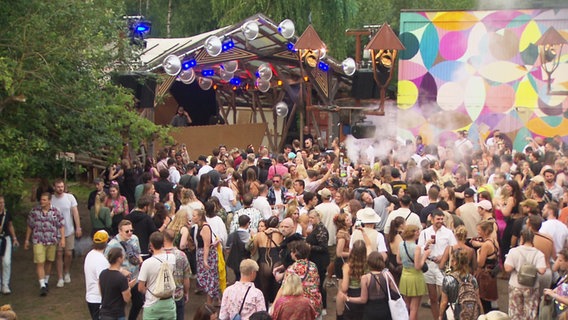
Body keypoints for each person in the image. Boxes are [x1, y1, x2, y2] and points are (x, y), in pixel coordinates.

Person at [418, 209, 457, 320]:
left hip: (442, 266)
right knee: (432, 297)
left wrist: (444, 256)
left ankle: (443, 317)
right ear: (432, 219)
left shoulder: (448, 233)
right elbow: (419, 249)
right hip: (429, 265)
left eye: (441, 219)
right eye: (438, 219)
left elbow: (453, 248)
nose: (440, 221)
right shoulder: (425, 232)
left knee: (444, 296)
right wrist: (426, 245)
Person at [24, 192, 65, 296]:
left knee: (49, 261)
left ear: (49, 201)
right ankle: (42, 284)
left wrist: (63, 239)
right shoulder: (34, 211)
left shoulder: (56, 211)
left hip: (52, 240)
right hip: (38, 240)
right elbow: (30, 225)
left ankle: (46, 280)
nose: (42, 202)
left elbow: (61, 225)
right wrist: (26, 240)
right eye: (41, 200)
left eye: (44, 200)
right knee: (40, 262)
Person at [341, 251, 401, 320]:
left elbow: (363, 299)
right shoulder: (387, 275)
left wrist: (348, 299)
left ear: (369, 263)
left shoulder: (365, 278)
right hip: (385, 309)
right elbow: (396, 292)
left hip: (370, 310)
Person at [504, 229, 547, 320]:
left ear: (521, 238)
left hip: (515, 284)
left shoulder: (514, 251)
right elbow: (542, 270)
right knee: (530, 311)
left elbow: (507, 268)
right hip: (532, 285)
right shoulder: (539, 254)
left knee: (515, 311)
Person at [105, 220, 143, 320]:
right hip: (121, 279)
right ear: (120, 231)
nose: (130, 233)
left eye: (131, 230)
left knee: (139, 302)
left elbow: (138, 253)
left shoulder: (134, 239)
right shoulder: (112, 245)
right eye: (127, 231)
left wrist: (141, 261)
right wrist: (121, 270)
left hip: (135, 277)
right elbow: (107, 262)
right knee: (122, 304)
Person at [275, 241, 322, 318]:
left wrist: (274, 305)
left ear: (294, 253)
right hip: (314, 303)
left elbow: (283, 288)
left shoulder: (292, 269)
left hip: (300, 306)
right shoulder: (313, 266)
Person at [138, 232, 177, 319]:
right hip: (169, 302)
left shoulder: (147, 263)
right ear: (163, 243)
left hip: (152, 302)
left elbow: (140, 287)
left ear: (151, 245)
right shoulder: (172, 258)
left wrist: (148, 291)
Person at [51, 179, 82, 288]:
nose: (60, 188)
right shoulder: (51, 199)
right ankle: (60, 277)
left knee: (68, 253)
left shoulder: (70, 198)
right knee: (59, 254)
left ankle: (67, 271)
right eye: (58, 186)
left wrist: (78, 227)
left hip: (69, 230)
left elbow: (75, 213)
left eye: (62, 186)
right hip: (55, 232)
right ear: (54, 187)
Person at [439, 249, 483, 320]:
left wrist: (440, 315)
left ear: (455, 262)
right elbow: (477, 299)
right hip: (471, 313)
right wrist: (481, 313)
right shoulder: (472, 279)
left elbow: (444, 302)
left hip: (453, 313)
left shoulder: (448, 280)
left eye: (452, 260)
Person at [398, 225, 430, 320]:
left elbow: (399, 260)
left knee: (407, 306)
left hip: (405, 276)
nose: (419, 233)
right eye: (417, 231)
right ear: (414, 233)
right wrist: (425, 256)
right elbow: (417, 266)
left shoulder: (401, 244)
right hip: (415, 277)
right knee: (414, 308)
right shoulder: (416, 248)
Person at [251, 216, 283, 308]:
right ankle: (275, 308)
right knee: (276, 288)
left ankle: (264, 308)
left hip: (264, 263)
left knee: (264, 288)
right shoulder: (280, 234)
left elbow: (253, 251)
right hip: (277, 262)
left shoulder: (259, 235)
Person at [193, 208, 221, 306]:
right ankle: (216, 299)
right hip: (202, 254)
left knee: (209, 278)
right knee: (210, 277)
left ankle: (209, 302)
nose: (193, 217)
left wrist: (205, 260)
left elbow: (206, 245)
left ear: (200, 217)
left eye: (194, 215)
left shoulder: (205, 227)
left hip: (207, 255)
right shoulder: (198, 227)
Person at [99, 247, 136, 320]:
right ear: (119, 259)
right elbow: (127, 299)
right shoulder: (121, 278)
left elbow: (101, 292)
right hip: (117, 315)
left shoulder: (102, 274)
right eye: (122, 256)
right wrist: (129, 287)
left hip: (104, 313)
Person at [305, 209, 330, 315]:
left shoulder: (321, 230)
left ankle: (323, 306)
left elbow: (323, 248)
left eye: (312, 217)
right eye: (309, 217)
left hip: (320, 260)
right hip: (314, 258)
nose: (310, 219)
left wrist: (310, 247)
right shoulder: (315, 228)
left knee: (320, 282)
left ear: (318, 217)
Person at [163, 229, 191, 320]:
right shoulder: (181, 255)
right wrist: (186, 292)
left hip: (162, 295)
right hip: (178, 294)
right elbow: (186, 277)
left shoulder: (158, 255)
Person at [84, 230, 110, 320]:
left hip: (91, 297)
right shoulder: (101, 260)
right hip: (99, 299)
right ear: (106, 242)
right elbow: (102, 282)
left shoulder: (90, 254)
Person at [125, 195, 160, 259]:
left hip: (129, 251)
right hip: (144, 251)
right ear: (145, 207)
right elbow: (155, 234)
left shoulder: (128, 217)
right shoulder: (147, 219)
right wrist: (164, 225)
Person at [0, 195, 19, 294]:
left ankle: (5, 284)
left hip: (5, 238)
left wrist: (14, 238)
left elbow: (10, 225)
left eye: (2, 202)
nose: (1, 205)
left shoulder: (6, 214)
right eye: (0, 203)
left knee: (6, 262)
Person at [226, 215, 251, 281]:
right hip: (246, 261)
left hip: (235, 262)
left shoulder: (232, 235)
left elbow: (227, 249)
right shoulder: (249, 236)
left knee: (237, 278)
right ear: (247, 224)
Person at [333, 212, 352, 280]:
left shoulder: (346, 232)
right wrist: (352, 254)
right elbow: (339, 253)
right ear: (343, 223)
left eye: (349, 219)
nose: (350, 220)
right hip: (342, 262)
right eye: (347, 220)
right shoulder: (342, 235)